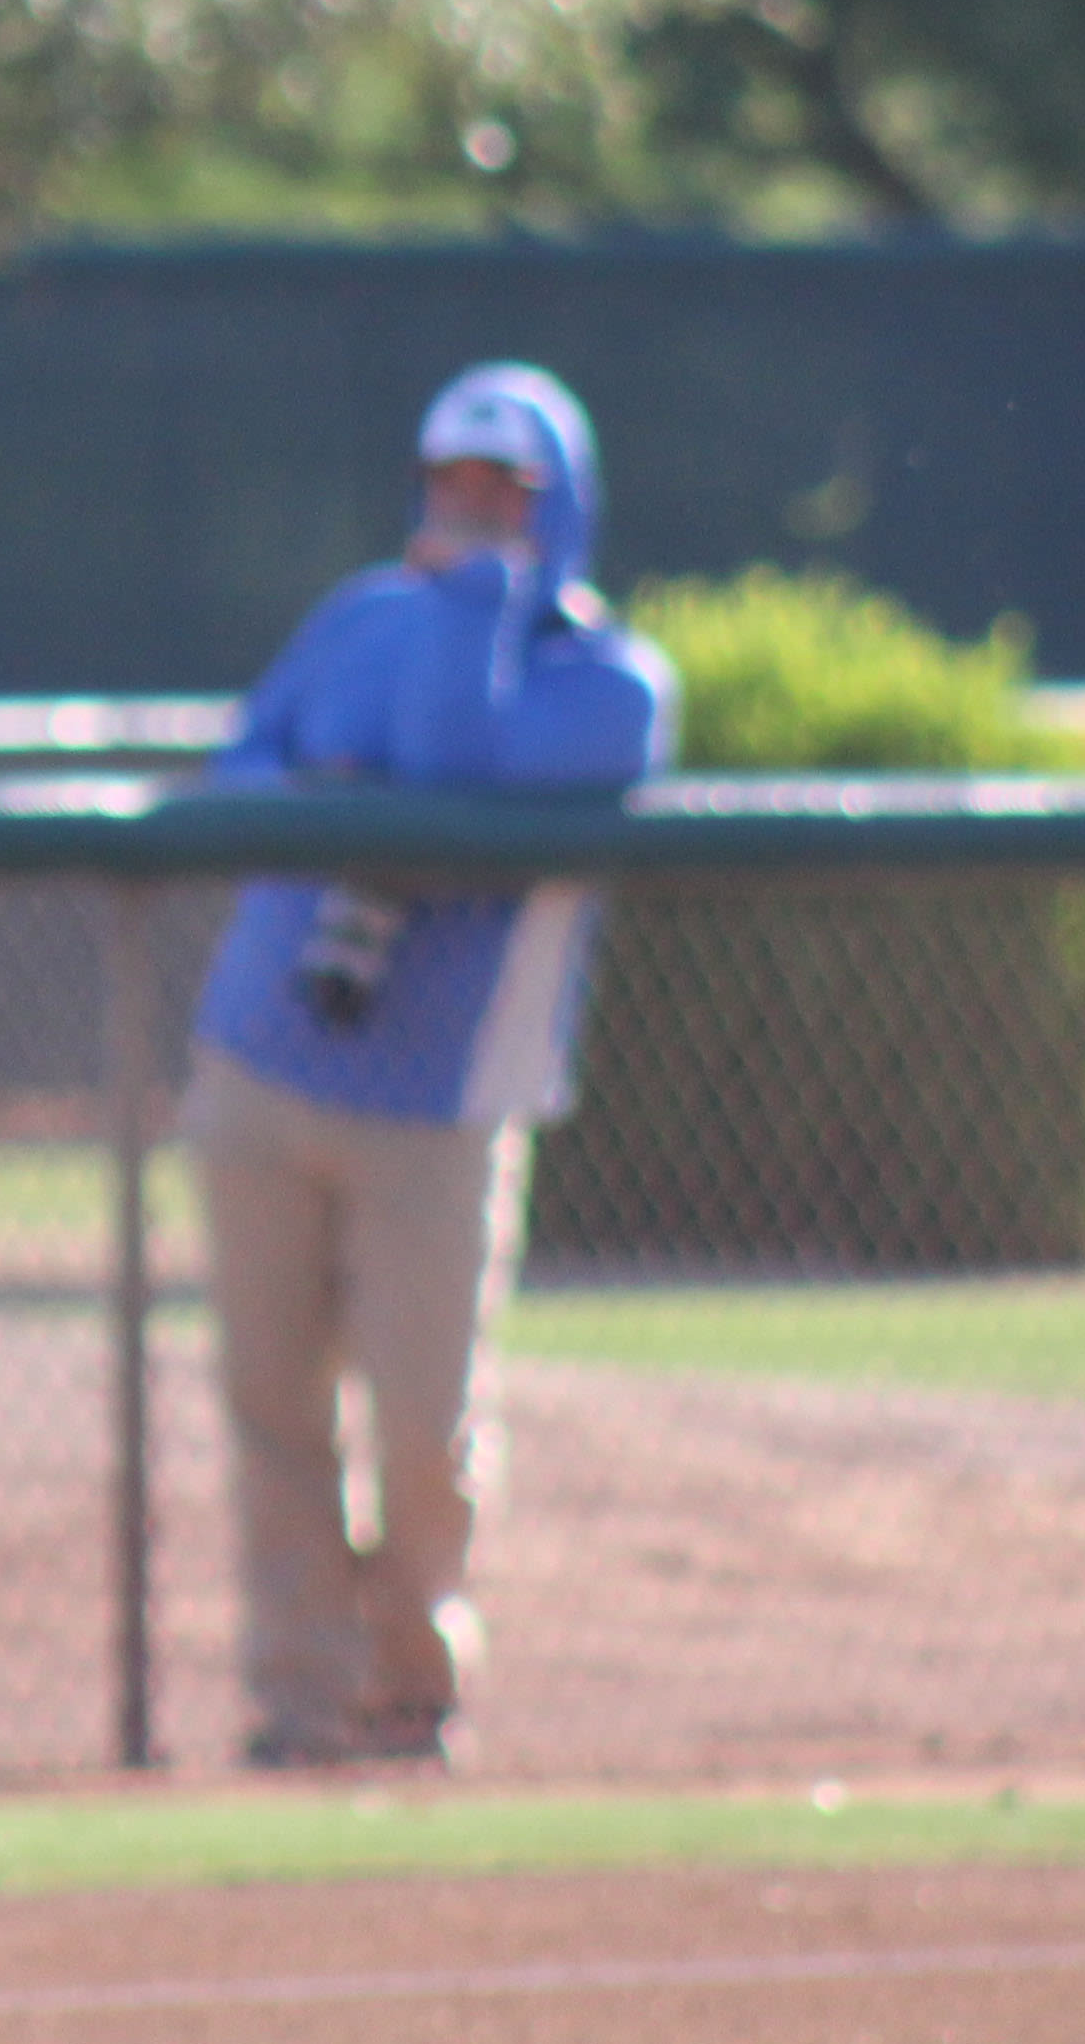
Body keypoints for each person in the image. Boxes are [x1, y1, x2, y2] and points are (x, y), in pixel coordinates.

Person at [187, 362, 673, 1772]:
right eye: (446, 483)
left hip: (442, 1111)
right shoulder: (360, 618)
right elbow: (240, 775)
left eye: (500, 491)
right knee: (270, 1408)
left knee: (420, 1432)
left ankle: (409, 1685)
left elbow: (464, 758)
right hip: (262, 1069)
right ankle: (297, 1701)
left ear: (557, 502)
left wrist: (472, 608)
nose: (465, 512)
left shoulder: (608, 679)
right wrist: (326, 796)